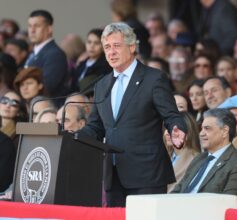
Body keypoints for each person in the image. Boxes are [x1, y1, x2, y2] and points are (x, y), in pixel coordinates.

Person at [79, 22, 187, 207]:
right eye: (107, 47)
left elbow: (171, 115)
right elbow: (96, 126)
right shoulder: (102, 85)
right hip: (113, 176)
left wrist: (177, 128)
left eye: (116, 46)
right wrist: (73, 138)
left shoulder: (153, 78)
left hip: (147, 175)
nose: (111, 52)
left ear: (131, 46)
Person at [171, 108, 237, 209]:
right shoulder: (199, 159)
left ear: (224, 131)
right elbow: (178, 189)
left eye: (207, 128)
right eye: (201, 128)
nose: (201, 133)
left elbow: (229, 202)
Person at [25, 10, 68, 101]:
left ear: (49, 29)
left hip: (47, 108)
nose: (32, 30)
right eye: (29, 26)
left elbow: (47, 86)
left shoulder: (55, 54)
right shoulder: (33, 53)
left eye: (37, 26)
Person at [165, 112, 200, 192]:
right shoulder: (167, 157)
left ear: (188, 132)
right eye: (167, 128)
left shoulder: (196, 159)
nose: (167, 133)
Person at [71, 28, 112, 93]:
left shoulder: (106, 66)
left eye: (96, 43)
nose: (92, 46)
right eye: (89, 42)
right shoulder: (81, 63)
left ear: (103, 46)